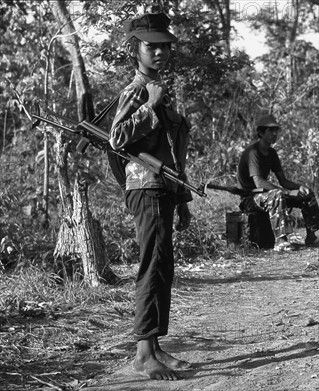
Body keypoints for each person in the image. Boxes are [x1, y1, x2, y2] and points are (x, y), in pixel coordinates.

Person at [109, 12, 192, 381]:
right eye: (150, 46)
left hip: (164, 190)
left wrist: (183, 199)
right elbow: (117, 138)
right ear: (136, 49)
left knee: (162, 269)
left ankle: (155, 345)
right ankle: (143, 353)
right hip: (145, 188)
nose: (159, 51)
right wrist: (149, 106)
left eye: (164, 46)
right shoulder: (137, 90)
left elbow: (171, 150)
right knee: (152, 267)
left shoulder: (157, 87)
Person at [237, 114, 319, 251]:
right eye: (270, 130)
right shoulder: (252, 152)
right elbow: (259, 182)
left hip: (267, 196)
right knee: (277, 195)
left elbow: (283, 181)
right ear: (261, 132)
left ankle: (311, 236)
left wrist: (300, 187)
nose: (274, 134)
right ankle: (281, 241)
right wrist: (287, 192)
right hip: (250, 199)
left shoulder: (272, 153)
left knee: (306, 194)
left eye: (276, 130)